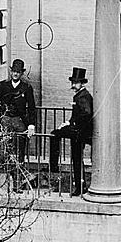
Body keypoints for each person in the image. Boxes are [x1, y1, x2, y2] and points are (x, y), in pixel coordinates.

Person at [0, 58, 36, 188]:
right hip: (6, 121)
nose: (15, 74)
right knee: (6, 151)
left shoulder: (26, 88)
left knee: (20, 152)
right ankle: (9, 181)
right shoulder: (4, 86)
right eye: (14, 71)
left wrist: (31, 124)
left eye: (18, 72)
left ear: (22, 73)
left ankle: (17, 183)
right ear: (11, 71)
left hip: (19, 122)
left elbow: (31, 107)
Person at [48, 66, 93, 196]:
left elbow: (87, 113)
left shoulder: (82, 96)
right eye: (72, 82)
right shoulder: (81, 95)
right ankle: (80, 186)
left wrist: (73, 123)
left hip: (79, 131)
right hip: (78, 129)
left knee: (55, 134)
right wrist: (68, 122)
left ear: (82, 83)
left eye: (76, 83)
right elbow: (79, 113)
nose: (73, 85)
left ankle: (54, 166)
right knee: (77, 158)